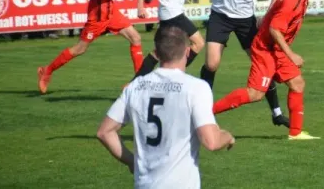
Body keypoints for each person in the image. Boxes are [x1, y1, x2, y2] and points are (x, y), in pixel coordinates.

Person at [178, 0, 289, 127]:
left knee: (262, 64)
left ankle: (276, 112)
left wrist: (267, 14)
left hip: (245, 20)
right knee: (211, 64)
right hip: (220, 16)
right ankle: (204, 110)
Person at [97, 26, 234, 189]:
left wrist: (131, 161)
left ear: (157, 52)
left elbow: (104, 132)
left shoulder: (136, 87)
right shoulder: (195, 87)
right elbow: (211, 141)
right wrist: (227, 136)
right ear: (187, 51)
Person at [212, 0, 324, 140]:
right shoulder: (292, 1)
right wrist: (292, 55)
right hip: (266, 48)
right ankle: (206, 114)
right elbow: (274, 29)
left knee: (297, 83)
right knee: (255, 94)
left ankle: (295, 134)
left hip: (277, 48)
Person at [37, 0, 144, 94]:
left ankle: (138, 82)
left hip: (111, 12)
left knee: (136, 38)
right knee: (79, 49)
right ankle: (47, 70)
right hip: (98, 17)